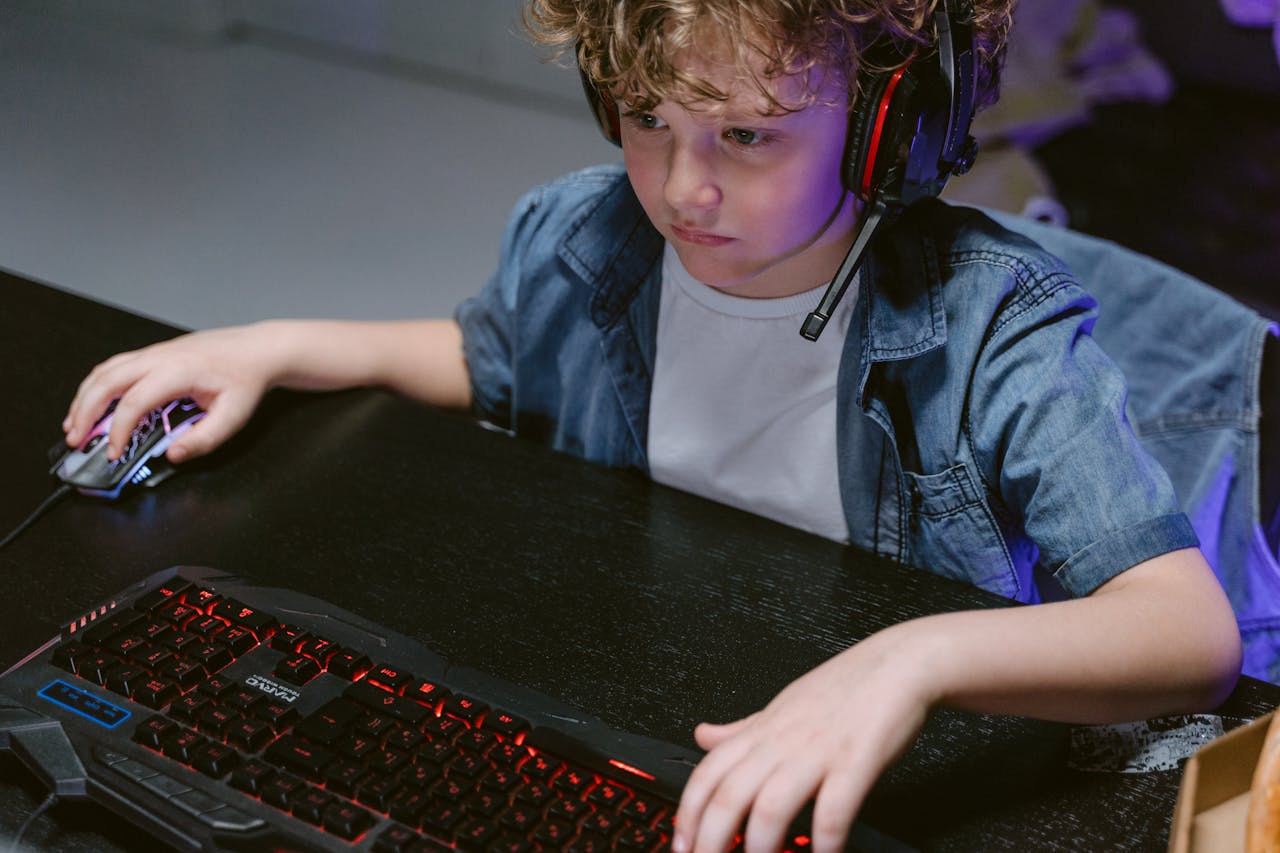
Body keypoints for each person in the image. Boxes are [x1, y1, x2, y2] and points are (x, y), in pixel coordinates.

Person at [62, 1, 1245, 851]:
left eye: (744, 135)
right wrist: (276, 343)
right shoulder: (581, 240)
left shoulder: (993, 329)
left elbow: (1184, 635)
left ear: (892, 124)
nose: (682, 189)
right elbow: (493, 359)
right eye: (643, 119)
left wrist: (910, 658)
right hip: (662, 696)